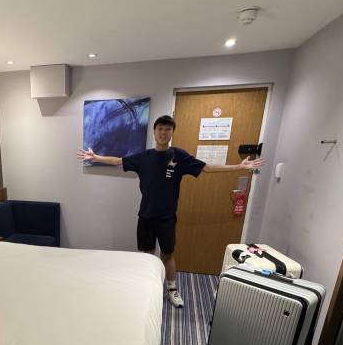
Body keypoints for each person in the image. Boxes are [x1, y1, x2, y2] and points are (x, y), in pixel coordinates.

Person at [77, 115, 264, 308]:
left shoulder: (178, 156)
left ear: (172, 132)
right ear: (154, 131)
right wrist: (96, 158)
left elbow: (207, 168)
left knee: (167, 255)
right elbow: (118, 161)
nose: (163, 133)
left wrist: (238, 166)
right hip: (146, 215)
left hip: (167, 217)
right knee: (147, 255)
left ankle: (172, 289)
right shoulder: (143, 157)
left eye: (168, 129)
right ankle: (148, 286)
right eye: (160, 129)